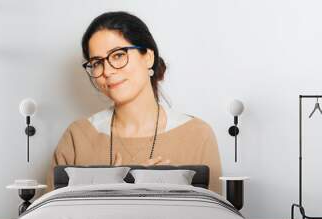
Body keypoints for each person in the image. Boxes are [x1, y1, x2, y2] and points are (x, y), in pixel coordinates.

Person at [45, 11, 222, 194]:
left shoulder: (197, 135)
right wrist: (114, 192)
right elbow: (49, 218)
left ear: (148, 57)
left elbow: (215, 218)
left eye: (118, 55)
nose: (107, 71)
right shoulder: (77, 137)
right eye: (97, 62)